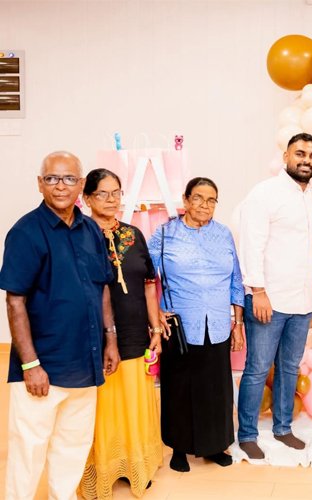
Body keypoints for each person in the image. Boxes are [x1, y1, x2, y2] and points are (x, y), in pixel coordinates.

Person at [0, 151, 119, 500]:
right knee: (28, 450)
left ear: (81, 185)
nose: (60, 186)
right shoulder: (25, 232)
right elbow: (15, 301)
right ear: (40, 184)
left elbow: (102, 288)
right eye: (52, 178)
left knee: (73, 446)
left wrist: (110, 340)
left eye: (69, 179)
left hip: (86, 362)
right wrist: (30, 365)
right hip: (43, 367)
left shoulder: (90, 230)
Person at [237, 133, 312, 460]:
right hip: (268, 299)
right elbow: (251, 243)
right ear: (286, 156)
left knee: (289, 367)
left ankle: (283, 427)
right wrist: (257, 291)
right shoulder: (265, 193)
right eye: (300, 153)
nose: (306, 160)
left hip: (302, 301)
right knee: (258, 368)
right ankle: (247, 434)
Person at [147, 177, 245, 472]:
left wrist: (238, 323)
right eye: (198, 198)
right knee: (179, 388)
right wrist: (155, 313)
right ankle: (179, 448)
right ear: (186, 200)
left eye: (211, 200)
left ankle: (214, 445)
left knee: (216, 389)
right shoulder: (165, 234)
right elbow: (146, 278)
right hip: (179, 325)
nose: (205, 204)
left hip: (217, 323)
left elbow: (235, 280)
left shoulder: (223, 234)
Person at [78, 169, 163, 498]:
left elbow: (149, 286)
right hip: (96, 338)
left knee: (135, 402)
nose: (111, 199)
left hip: (136, 333)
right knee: (104, 407)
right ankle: (104, 470)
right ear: (87, 198)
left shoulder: (133, 234)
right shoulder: (79, 236)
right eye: (102, 193)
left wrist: (156, 328)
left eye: (116, 192)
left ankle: (134, 467)